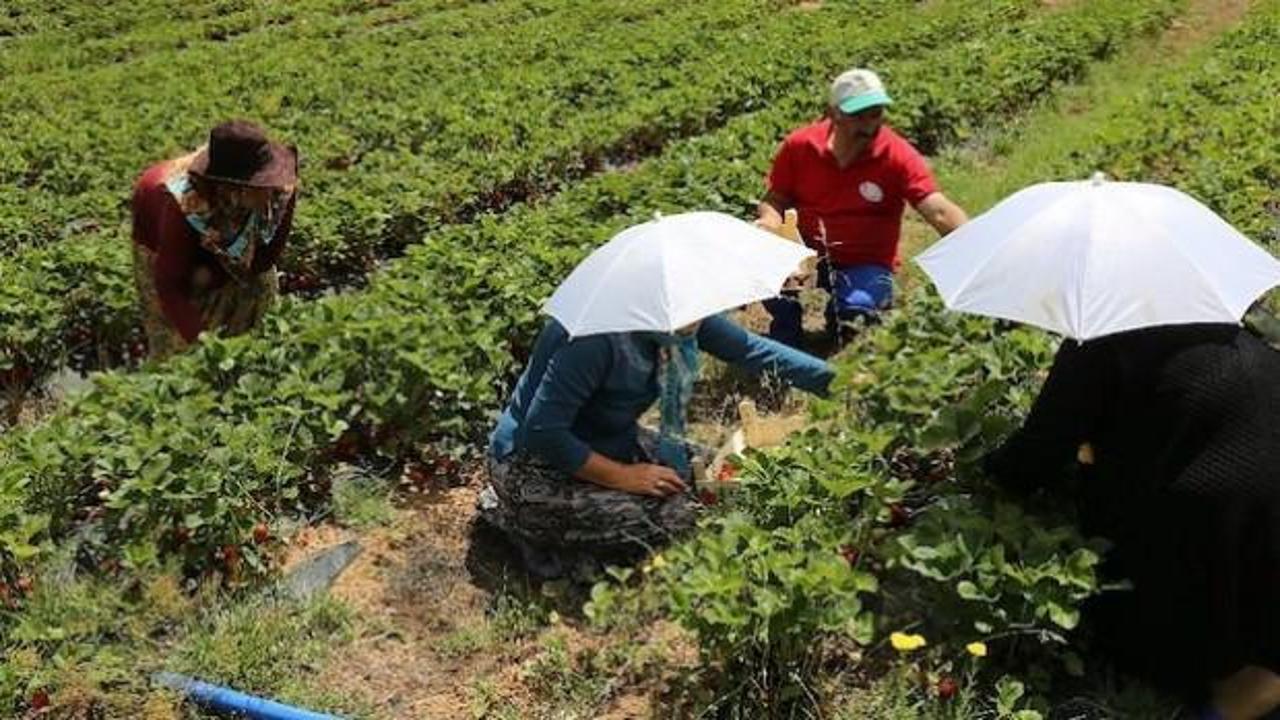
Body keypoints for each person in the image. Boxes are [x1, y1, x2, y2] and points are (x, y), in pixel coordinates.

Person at [983, 323, 1280, 720]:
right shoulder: (1244, 339)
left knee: (1159, 646)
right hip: (1267, 559)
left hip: (1195, 576)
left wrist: (979, 469)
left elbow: (1030, 463)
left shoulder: (1102, 341)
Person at [478, 313, 833, 579]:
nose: (699, 318)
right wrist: (625, 477)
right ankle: (527, 527)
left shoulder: (680, 316)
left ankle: (569, 533)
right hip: (533, 463)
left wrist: (840, 382)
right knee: (685, 515)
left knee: (725, 478)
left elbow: (751, 349)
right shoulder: (591, 339)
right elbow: (543, 431)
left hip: (610, 442)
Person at [757, 68, 968, 345]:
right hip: (805, 254)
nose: (868, 125)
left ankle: (842, 318)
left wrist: (977, 248)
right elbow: (775, 199)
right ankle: (784, 343)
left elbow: (938, 210)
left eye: (875, 114)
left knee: (857, 316)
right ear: (834, 113)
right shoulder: (800, 147)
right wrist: (771, 231)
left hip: (864, 261)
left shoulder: (896, 155)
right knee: (768, 274)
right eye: (858, 116)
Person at [131, 120, 298, 359]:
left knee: (257, 293)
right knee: (181, 351)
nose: (270, 190)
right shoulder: (182, 205)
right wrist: (209, 350)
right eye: (261, 185)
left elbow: (265, 260)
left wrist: (225, 273)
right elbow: (169, 286)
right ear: (235, 189)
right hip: (159, 234)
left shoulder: (280, 188)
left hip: (221, 236)